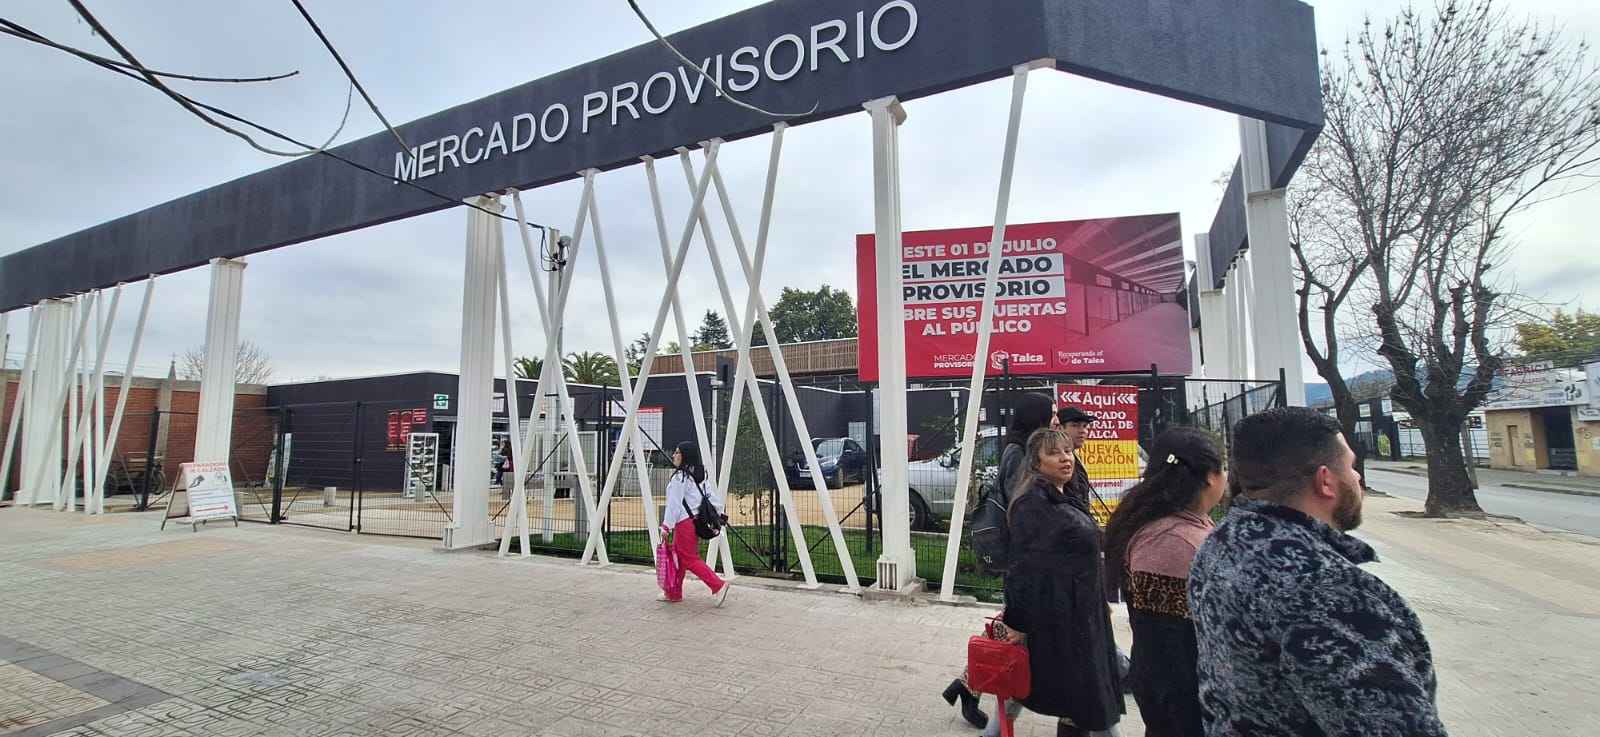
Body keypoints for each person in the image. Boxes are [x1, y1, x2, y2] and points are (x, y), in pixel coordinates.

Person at [1188, 407, 1448, 737]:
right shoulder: (1324, 585)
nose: (1357, 479)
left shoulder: (1221, 544)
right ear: (1325, 480)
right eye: (1351, 467)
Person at [996, 427, 1124, 737]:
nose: (1065, 458)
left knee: (1080, 703)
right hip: (1060, 617)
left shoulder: (1065, 494)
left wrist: (1100, 601)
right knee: (1080, 701)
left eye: (1067, 451)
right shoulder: (1032, 504)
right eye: (1054, 453)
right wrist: (1018, 624)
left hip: (1083, 612)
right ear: (1036, 462)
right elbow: (1022, 568)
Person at [943, 391, 1057, 730]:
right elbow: (1021, 508)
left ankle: (967, 685)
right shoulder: (1019, 453)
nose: (1054, 420)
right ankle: (972, 687)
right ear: (1035, 418)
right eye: (1049, 414)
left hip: (1027, 560)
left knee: (1010, 628)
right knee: (1012, 631)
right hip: (1023, 560)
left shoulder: (1023, 449)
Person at [1102, 428, 1225, 737]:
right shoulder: (1173, 543)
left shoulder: (1180, 525)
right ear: (1211, 476)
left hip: (1175, 692)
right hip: (1183, 699)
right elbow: (1169, 642)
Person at [659, 442, 730, 607]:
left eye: (677, 453)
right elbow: (709, 495)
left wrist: (666, 526)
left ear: (685, 455)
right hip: (696, 521)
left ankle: (718, 585)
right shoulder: (698, 474)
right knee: (680, 557)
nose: (674, 455)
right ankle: (673, 592)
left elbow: (674, 505)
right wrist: (719, 513)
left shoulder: (680, 477)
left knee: (689, 559)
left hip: (684, 523)